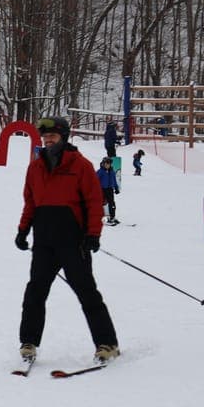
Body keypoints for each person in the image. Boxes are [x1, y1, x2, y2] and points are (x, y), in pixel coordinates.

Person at [14, 116, 119, 364]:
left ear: (64, 136)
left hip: (74, 243)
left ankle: (107, 343)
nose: (48, 140)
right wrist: (22, 230)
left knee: (87, 294)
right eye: (45, 137)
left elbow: (94, 203)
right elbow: (31, 202)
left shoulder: (80, 165)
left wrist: (93, 234)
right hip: (44, 243)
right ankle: (28, 342)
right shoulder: (35, 167)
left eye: (53, 136)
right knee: (35, 293)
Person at [97, 156, 120, 225]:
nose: (107, 165)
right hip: (102, 190)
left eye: (109, 164)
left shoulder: (112, 172)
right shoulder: (100, 171)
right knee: (100, 203)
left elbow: (114, 181)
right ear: (103, 163)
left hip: (110, 190)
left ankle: (112, 217)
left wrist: (116, 188)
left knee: (112, 203)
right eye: (106, 163)